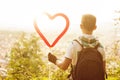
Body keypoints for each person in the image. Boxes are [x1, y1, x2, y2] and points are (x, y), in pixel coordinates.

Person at [48, 14, 106, 80]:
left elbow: (64, 66)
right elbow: (103, 71)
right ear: (95, 27)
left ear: (81, 26)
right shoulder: (100, 47)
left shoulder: (74, 44)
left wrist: (55, 60)